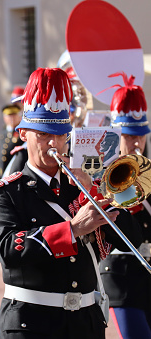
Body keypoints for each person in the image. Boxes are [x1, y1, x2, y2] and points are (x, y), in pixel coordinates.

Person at [0, 67, 142, 339]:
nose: (53, 143)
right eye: (43, 134)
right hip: (32, 323)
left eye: (59, 134)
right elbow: (8, 249)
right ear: (24, 134)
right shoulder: (6, 192)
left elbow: (133, 236)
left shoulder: (82, 185)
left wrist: (92, 185)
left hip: (86, 322)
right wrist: (73, 229)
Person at [99, 72, 151, 338]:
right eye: (129, 136)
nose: (136, 142)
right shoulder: (104, 174)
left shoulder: (148, 170)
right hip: (120, 275)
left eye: (140, 135)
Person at [0, 103, 24, 177]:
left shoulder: (22, 132)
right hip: (4, 170)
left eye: (14, 115)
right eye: (9, 116)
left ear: (19, 117)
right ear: (4, 118)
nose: (12, 118)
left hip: (17, 170)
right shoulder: (4, 132)